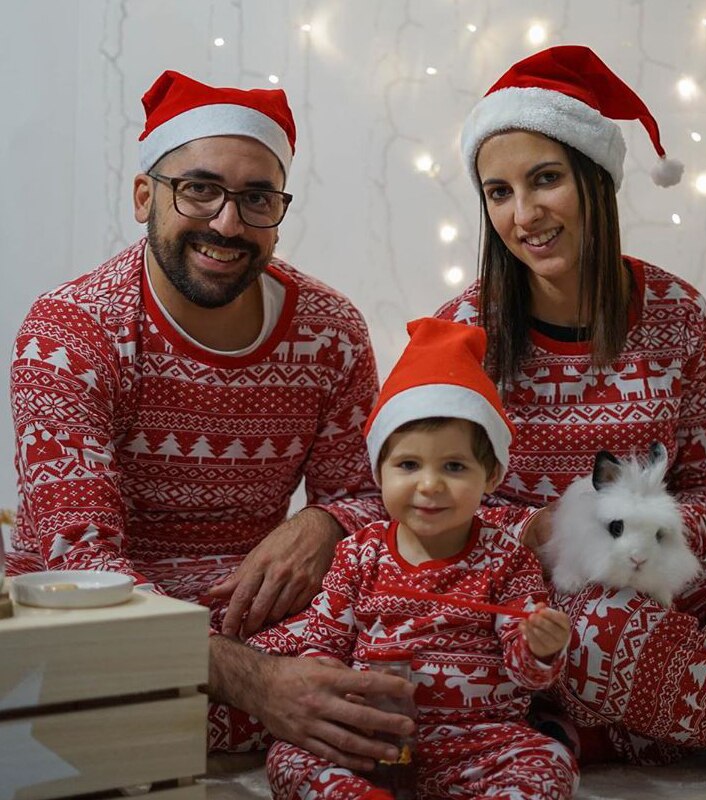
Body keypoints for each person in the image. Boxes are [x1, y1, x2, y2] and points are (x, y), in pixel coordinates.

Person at [6, 69, 415, 766]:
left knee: (426, 645)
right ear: (145, 196)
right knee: (57, 686)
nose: (228, 222)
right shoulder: (69, 334)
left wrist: (322, 522)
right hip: (93, 616)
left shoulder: (332, 331)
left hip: (258, 612)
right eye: (200, 189)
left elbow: (372, 500)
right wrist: (258, 685)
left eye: (256, 198)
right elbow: (81, 565)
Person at [435, 45, 706, 769]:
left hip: (656, 582)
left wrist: (648, 540)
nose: (525, 214)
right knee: (600, 632)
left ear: (595, 181)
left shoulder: (675, 313)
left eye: (545, 180)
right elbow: (429, 501)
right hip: (537, 608)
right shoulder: (465, 332)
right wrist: (540, 531)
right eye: (498, 192)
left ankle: (625, 718)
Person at [267, 317, 578, 799]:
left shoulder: (507, 560)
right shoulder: (358, 554)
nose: (429, 485)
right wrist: (335, 691)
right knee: (288, 755)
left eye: (454, 466)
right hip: (372, 736)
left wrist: (540, 645)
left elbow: (524, 672)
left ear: (491, 476)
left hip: (479, 742)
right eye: (408, 465)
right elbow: (322, 644)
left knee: (548, 761)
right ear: (379, 471)